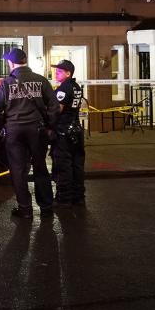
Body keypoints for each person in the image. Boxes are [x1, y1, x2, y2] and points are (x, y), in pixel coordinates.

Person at [0, 48, 60, 219]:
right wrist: (50, 125)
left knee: (18, 169)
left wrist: (0, 127)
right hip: (37, 130)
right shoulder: (41, 80)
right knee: (40, 167)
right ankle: (46, 207)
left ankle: (25, 208)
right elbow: (54, 106)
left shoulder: (6, 83)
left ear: (11, 63)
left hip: (15, 131)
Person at [51, 59, 86, 207]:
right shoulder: (76, 86)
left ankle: (64, 199)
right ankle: (78, 197)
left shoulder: (63, 88)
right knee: (77, 165)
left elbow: (57, 110)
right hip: (77, 131)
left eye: (59, 71)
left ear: (68, 73)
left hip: (64, 132)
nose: (56, 73)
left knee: (63, 165)